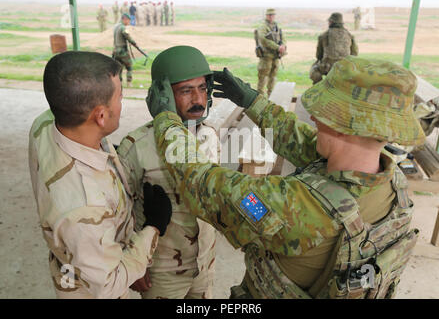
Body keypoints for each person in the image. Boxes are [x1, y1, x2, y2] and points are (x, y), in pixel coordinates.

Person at [145, 55, 425, 299]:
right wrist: (252, 102)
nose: (314, 118)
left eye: (323, 112)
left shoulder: (295, 205)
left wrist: (167, 120)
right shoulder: (390, 180)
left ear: (343, 125)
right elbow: (305, 142)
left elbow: (200, 182)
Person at [28, 51, 173, 298]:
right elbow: (109, 284)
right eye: (120, 96)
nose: (122, 102)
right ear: (101, 115)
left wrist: (111, 160)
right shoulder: (83, 209)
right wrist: (153, 228)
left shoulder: (46, 123)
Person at [117, 46, 218, 299]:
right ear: (164, 94)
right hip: (161, 269)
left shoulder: (209, 136)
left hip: (204, 264)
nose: (198, 99)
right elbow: (119, 211)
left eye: (202, 88)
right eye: (186, 90)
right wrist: (132, 263)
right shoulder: (136, 145)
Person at [309, 12, 358, 85]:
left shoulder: (324, 35)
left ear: (331, 22)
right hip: (346, 68)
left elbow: (319, 55)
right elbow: (354, 53)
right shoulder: (349, 35)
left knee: (314, 70)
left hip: (328, 67)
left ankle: (318, 88)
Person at [256, 8, 287, 97]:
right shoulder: (263, 27)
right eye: (269, 15)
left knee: (273, 77)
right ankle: (260, 97)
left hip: (275, 56)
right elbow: (263, 40)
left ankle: (271, 95)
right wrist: (278, 47)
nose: (271, 17)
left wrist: (283, 46)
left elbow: (283, 38)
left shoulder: (276, 27)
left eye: (273, 15)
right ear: (266, 16)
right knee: (262, 77)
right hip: (266, 57)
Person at [113, 13, 136, 88]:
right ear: (125, 19)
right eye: (128, 20)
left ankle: (119, 83)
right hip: (122, 51)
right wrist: (134, 43)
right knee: (129, 66)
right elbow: (128, 37)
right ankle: (129, 83)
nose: (129, 22)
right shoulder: (123, 28)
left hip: (115, 51)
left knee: (119, 68)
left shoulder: (116, 27)